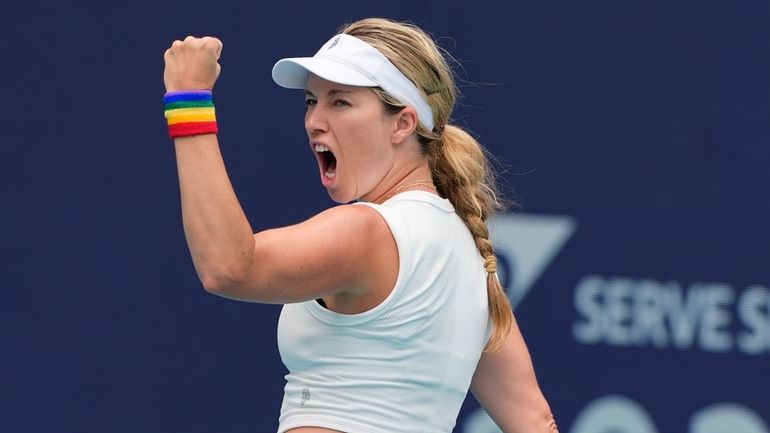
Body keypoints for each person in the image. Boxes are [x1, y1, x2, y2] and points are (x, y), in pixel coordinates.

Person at [163, 17, 558, 433]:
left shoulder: (367, 232)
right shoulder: (471, 256)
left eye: (340, 102)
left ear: (403, 123)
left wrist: (188, 100)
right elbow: (535, 420)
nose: (314, 120)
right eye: (311, 101)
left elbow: (228, 266)